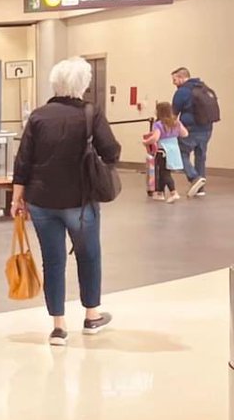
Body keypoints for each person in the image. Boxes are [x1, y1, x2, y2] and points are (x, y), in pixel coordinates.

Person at [12, 56, 121, 347]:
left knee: (53, 260)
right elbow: (111, 151)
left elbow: (23, 160)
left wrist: (17, 198)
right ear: (83, 85)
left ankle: (58, 327)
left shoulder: (38, 116)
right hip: (80, 201)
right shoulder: (90, 114)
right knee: (89, 256)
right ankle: (91, 316)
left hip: (41, 200)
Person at [171, 67, 216, 198]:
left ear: (181, 77)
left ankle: (194, 178)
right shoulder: (203, 88)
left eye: (174, 79)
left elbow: (174, 114)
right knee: (200, 156)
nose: (173, 83)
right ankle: (201, 188)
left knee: (180, 152)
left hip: (190, 129)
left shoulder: (182, 92)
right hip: (207, 128)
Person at [143, 101, 189, 204]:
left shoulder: (158, 124)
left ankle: (174, 192)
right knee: (164, 171)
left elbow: (155, 138)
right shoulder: (176, 122)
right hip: (174, 149)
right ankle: (160, 193)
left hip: (162, 150)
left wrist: (145, 142)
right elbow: (185, 134)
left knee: (164, 173)